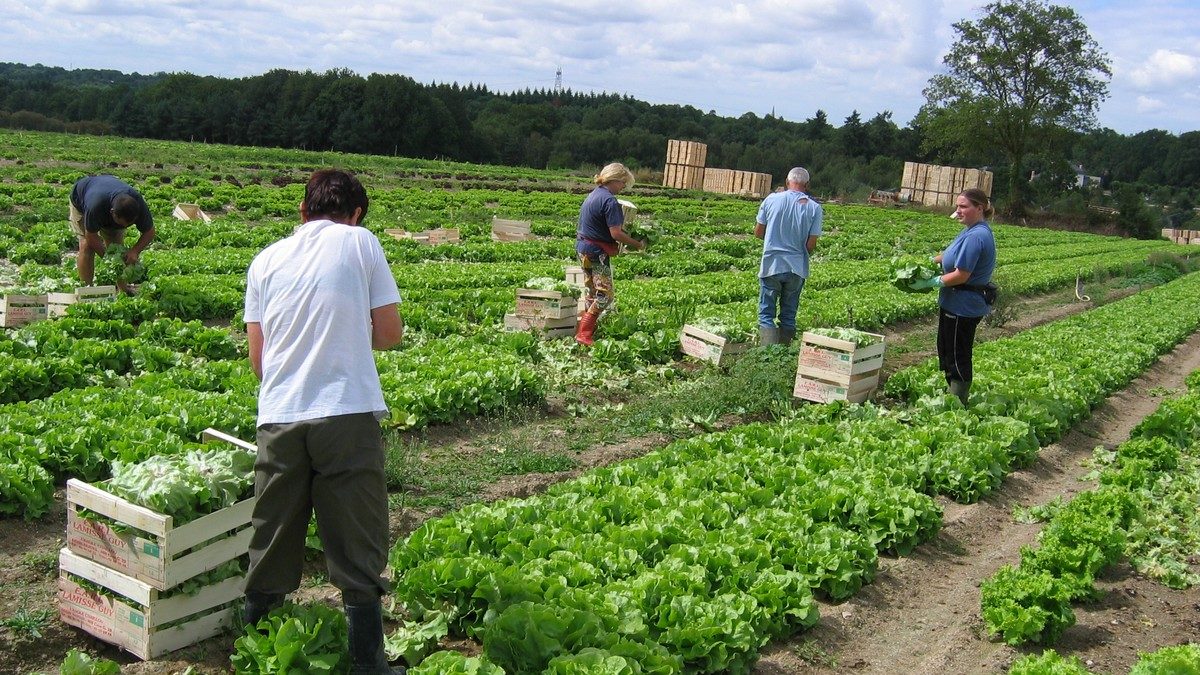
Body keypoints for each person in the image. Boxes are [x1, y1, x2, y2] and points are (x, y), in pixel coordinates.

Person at [242, 169, 406, 674]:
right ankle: (368, 662)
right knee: (356, 533)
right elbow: (389, 334)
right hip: (344, 409)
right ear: (355, 215)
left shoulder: (265, 259)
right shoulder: (361, 242)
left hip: (280, 414)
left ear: (302, 212)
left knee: (273, 526)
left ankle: (259, 649)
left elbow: (258, 360)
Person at [912, 187, 997, 406]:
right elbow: (949, 255)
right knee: (947, 350)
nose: (958, 211)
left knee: (958, 355)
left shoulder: (977, 236)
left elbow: (962, 275)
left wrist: (933, 282)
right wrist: (928, 262)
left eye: (963, 207)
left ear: (979, 208)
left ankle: (959, 401)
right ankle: (953, 396)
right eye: (957, 206)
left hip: (963, 306)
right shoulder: (970, 230)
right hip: (954, 303)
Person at [574, 162, 646, 345]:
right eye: (623, 183)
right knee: (605, 295)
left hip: (583, 249)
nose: (623, 187)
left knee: (592, 290)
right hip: (597, 252)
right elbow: (616, 233)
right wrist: (637, 244)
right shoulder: (609, 200)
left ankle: (587, 331)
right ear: (616, 180)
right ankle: (584, 332)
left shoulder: (593, 195)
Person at [755, 167, 822, 345]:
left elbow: (758, 232)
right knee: (788, 315)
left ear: (787, 182)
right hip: (796, 267)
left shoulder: (771, 200)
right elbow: (811, 244)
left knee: (766, 314)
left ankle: (767, 355)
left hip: (772, 264)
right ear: (807, 185)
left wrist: (774, 239)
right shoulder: (814, 208)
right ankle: (784, 352)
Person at [69, 175, 155, 290]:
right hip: (81, 198)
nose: (124, 227)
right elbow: (91, 236)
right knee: (86, 246)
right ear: (112, 213)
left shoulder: (137, 204)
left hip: (106, 196)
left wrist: (135, 251)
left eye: (128, 225)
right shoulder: (95, 206)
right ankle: (86, 289)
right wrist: (108, 258)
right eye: (121, 224)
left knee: (118, 253)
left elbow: (149, 232)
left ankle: (123, 289)